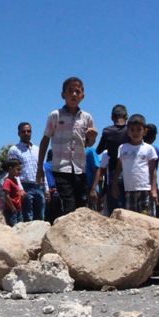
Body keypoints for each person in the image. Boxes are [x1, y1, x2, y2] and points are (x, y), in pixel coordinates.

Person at [37, 77, 98, 215]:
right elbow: (45, 139)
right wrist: (40, 167)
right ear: (63, 95)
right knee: (68, 202)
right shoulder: (55, 116)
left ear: (83, 96)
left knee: (81, 204)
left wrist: (93, 137)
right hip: (61, 167)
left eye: (77, 91)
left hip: (80, 168)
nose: (74, 94)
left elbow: (88, 143)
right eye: (70, 91)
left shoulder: (86, 118)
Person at [112, 114, 157, 216]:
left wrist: (153, 189)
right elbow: (118, 168)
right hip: (129, 190)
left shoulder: (149, 149)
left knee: (147, 218)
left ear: (145, 131)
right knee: (131, 218)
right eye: (132, 129)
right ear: (128, 131)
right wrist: (114, 185)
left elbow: (153, 170)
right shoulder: (122, 148)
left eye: (138, 129)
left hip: (145, 190)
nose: (135, 132)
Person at [8, 122, 47, 221]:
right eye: (23, 131)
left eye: (28, 131)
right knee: (28, 218)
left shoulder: (37, 149)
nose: (26, 133)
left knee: (41, 218)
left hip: (38, 186)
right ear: (19, 133)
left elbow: (41, 168)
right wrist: (20, 189)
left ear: (31, 132)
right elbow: (13, 172)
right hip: (25, 187)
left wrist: (46, 187)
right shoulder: (14, 150)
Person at [96, 104, 129, 215]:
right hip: (131, 172)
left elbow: (98, 150)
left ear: (111, 118)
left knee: (115, 210)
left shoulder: (107, 131)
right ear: (127, 117)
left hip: (114, 172)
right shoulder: (130, 130)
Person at [2, 159, 23, 226]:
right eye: (18, 169)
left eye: (20, 170)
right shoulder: (8, 181)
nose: (20, 172)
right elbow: (6, 196)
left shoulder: (15, 180)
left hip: (18, 209)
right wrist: (13, 208)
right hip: (11, 210)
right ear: (10, 169)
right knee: (13, 227)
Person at [43, 149, 62, 223]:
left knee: (48, 217)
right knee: (58, 217)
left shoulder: (43, 166)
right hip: (58, 193)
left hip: (47, 193)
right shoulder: (59, 166)